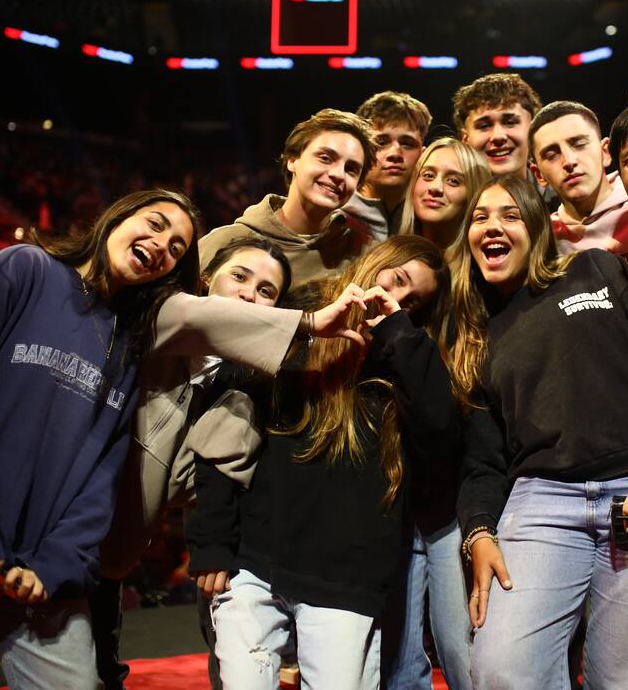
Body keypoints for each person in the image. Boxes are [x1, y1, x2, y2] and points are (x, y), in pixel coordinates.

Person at [0, 189, 202, 689]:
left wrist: (56, 563)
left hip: (31, 570)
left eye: (177, 248)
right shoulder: (23, 269)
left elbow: (101, 473)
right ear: (117, 217)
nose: (161, 245)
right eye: (155, 225)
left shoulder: (127, 343)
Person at [94, 235, 373, 689]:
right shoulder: (165, 324)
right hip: (73, 522)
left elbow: (204, 472)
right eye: (239, 277)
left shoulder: (253, 381)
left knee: (103, 668)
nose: (249, 294)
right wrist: (308, 322)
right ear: (205, 280)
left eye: (266, 291)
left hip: (120, 543)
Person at [455, 174, 628, 689]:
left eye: (509, 215)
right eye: (479, 217)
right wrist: (478, 530)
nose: (492, 227)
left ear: (538, 228)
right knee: (502, 670)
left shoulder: (594, 267)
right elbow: (482, 457)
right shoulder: (475, 331)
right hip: (541, 500)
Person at [188, 236, 457, 690]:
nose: (398, 297)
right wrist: (212, 537)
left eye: (413, 301)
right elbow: (225, 430)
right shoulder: (305, 310)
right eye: (397, 279)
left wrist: (398, 332)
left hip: (346, 578)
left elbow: (442, 438)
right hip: (257, 561)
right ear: (376, 261)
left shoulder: (410, 355)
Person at [383, 138, 489, 690]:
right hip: (392, 495)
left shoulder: (485, 280)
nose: (435, 187)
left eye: (453, 179)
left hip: (456, 497)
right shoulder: (385, 267)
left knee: (466, 654)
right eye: (428, 174)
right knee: (398, 667)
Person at [199, 108, 376, 287]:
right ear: (292, 160)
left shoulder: (363, 255)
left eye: (351, 169)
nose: (338, 174)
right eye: (325, 158)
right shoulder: (223, 242)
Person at [530, 100, 628, 295]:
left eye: (579, 145)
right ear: (538, 175)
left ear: (605, 152)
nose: (569, 161)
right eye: (551, 155)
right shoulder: (544, 242)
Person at [453, 73, 558, 210]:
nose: (498, 136)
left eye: (510, 122)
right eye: (484, 126)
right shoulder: (451, 205)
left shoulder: (562, 201)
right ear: (465, 139)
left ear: (533, 131)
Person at [344, 91, 433, 241]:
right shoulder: (330, 216)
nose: (395, 153)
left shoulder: (431, 220)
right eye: (381, 143)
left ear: (423, 154)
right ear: (361, 150)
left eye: (407, 143)